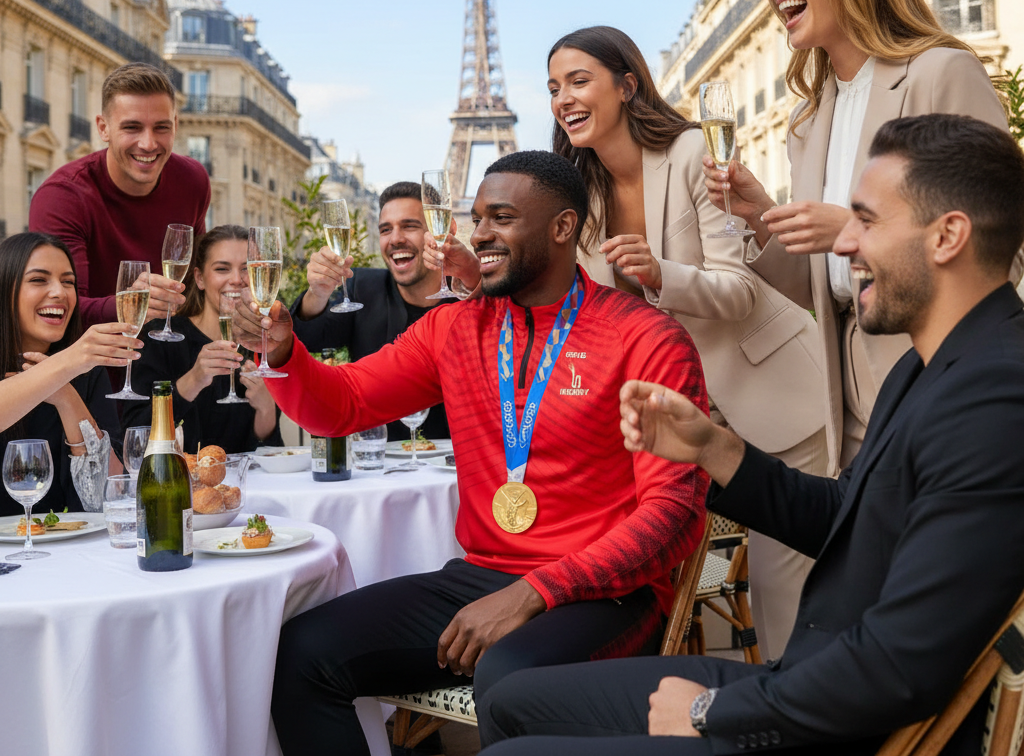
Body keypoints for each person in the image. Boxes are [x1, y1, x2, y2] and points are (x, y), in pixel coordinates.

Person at [477, 114, 1024, 756]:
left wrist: (713, 710)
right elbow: (845, 519)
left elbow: (899, 665)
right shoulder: (932, 366)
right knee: (513, 700)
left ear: (948, 236)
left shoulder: (995, 398)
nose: (844, 244)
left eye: (867, 221)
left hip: (835, 725)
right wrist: (714, 447)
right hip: (810, 687)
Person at [231, 150, 710, 756]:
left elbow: (674, 517)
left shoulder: (646, 337)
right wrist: (282, 353)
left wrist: (536, 593)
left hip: (606, 593)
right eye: (478, 217)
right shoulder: (454, 328)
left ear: (562, 227)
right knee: (300, 655)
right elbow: (342, 404)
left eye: (501, 217)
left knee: (508, 677)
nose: (478, 234)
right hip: (483, 576)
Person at [704, 0, 1014, 473]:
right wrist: (761, 214)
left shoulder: (939, 74)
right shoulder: (809, 120)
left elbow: (1001, 247)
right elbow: (827, 289)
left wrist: (852, 227)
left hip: (936, 386)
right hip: (841, 403)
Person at [548, 24, 827, 659]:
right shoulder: (579, 192)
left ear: (628, 85)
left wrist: (658, 274)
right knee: (660, 580)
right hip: (679, 418)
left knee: (788, 596)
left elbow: (740, 289)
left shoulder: (695, 152)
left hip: (769, 395)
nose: (563, 98)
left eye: (579, 80)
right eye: (553, 87)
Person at [29, 62, 210, 328]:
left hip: (169, 357)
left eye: (161, 127)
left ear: (175, 125)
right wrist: (130, 304)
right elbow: (60, 308)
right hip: (92, 363)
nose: (148, 144)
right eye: (132, 128)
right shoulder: (62, 197)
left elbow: (196, 282)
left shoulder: (193, 180)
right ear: (103, 128)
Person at [291, 181, 461, 440]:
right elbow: (307, 339)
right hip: (378, 468)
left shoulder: (469, 300)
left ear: (442, 231)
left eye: (409, 226)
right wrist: (318, 292)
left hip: (453, 466)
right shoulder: (362, 287)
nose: (395, 239)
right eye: (385, 229)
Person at [0, 232, 141, 514]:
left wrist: (66, 398)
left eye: (68, 282)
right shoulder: (74, 362)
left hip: (63, 550)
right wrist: (64, 365)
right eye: (39, 280)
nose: (60, 293)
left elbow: (110, 496)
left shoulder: (85, 372)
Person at [121, 225, 282, 453]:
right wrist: (194, 380)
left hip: (245, 486)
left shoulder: (262, 347)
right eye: (222, 269)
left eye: (247, 268)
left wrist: (267, 408)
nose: (237, 279)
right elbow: (135, 438)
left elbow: (270, 456)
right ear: (200, 278)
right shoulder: (161, 339)